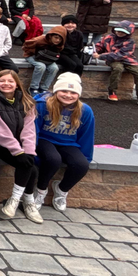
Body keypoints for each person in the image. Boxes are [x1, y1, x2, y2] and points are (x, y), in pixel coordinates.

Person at [0, 70, 42, 223]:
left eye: (10, 81)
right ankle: (20, 200)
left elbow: (29, 130)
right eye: (2, 81)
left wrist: (28, 151)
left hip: (18, 144)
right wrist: (18, 152)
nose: (6, 84)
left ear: (17, 84)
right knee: (27, 166)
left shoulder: (27, 102)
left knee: (30, 165)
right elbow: (1, 132)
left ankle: (21, 201)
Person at [34, 73, 94, 213]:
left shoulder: (85, 110)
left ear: (78, 94)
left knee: (81, 165)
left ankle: (61, 190)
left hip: (68, 143)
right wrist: (33, 154)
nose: (68, 95)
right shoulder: (42, 105)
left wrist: (86, 157)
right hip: (44, 139)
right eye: (64, 91)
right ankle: (40, 190)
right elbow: (33, 130)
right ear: (56, 91)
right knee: (53, 159)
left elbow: (87, 135)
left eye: (73, 92)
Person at [94, 20, 138, 108]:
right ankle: (112, 91)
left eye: (123, 32)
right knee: (118, 68)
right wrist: (95, 51)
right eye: (118, 31)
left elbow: (120, 55)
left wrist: (101, 56)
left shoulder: (130, 42)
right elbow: (100, 46)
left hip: (127, 60)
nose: (119, 33)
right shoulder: (108, 37)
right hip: (113, 60)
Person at [22, 26, 66, 95]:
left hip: (48, 58)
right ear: (50, 36)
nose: (57, 40)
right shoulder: (39, 40)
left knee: (54, 68)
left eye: (60, 39)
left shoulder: (60, 45)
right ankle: (33, 87)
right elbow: (26, 45)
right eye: (56, 37)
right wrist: (34, 51)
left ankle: (44, 88)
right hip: (32, 56)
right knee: (41, 66)